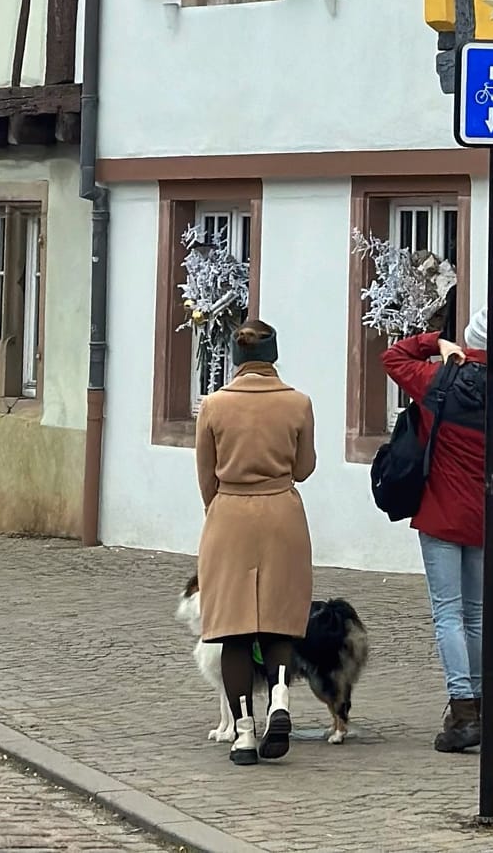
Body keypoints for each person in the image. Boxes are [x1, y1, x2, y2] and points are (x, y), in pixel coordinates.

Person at [382, 305, 493, 754]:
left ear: (471, 339)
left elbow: (392, 356)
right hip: (482, 513)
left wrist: (436, 343)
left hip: (440, 510)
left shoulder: (438, 381)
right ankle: (478, 704)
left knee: (447, 613)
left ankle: (462, 710)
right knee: (477, 613)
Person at [194, 317, 316, 766]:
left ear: (236, 357)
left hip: (230, 515)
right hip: (282, 514)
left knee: (234, 630)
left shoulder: (214, 405)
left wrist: (220, 509)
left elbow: (206, 476)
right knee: (279, 622)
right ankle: (279, 699)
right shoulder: (298, 402)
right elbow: (304, 468)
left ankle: (243, 733)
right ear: (273, 356)